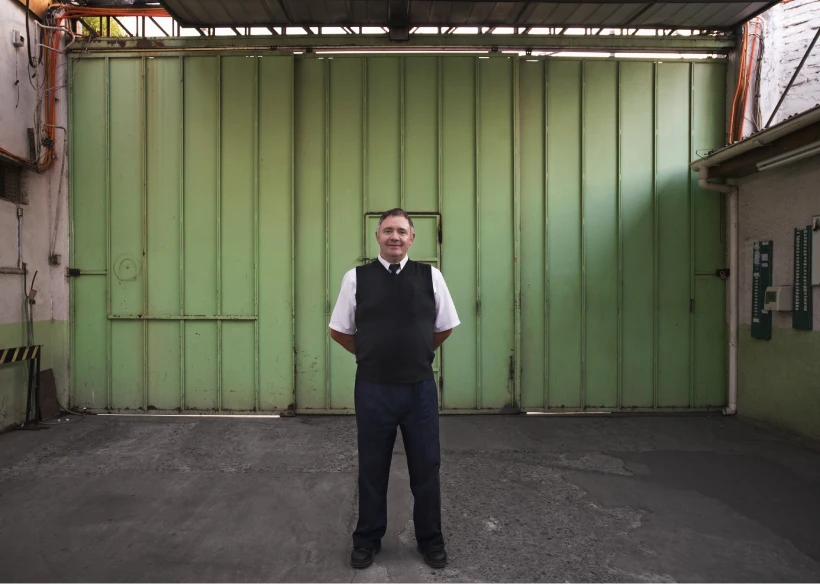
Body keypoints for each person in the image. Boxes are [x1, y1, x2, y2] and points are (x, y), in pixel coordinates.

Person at [329, 208, 460, 570]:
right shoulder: (356, 279)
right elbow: (339, 330)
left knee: (426, 467)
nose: (395, 237)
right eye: (388, 231)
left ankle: (431, 540)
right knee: (372, 467)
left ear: (412, 238)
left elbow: (445, 325)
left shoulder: (430, 276)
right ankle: (367, 540)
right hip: (373, 390)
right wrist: (371, 354)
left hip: (419, 390)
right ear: (377, 237)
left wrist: (420, 351)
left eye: (402, 231)